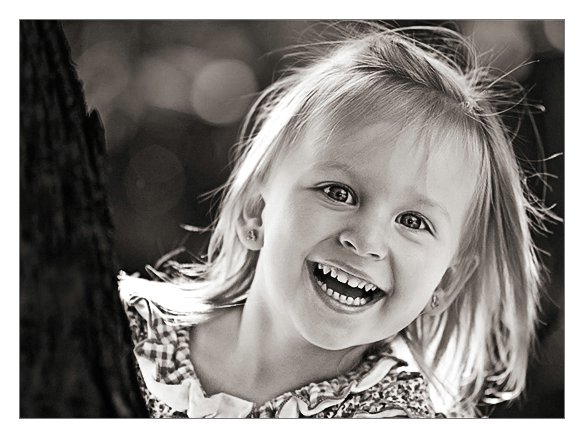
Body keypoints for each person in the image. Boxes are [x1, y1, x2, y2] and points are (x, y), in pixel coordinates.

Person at [118, 23, 552, 418]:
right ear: (256, 210)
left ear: (445, 283)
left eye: (413, 221)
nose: (366, 241)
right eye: (338, 193)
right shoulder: (121, 328)